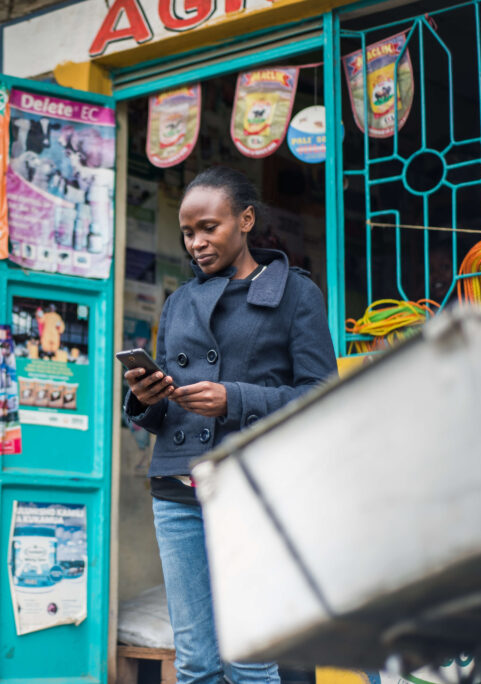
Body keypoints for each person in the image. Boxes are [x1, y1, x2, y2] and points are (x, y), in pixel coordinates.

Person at [123, 167, 337, 684]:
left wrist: (234, 399)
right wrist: (145, 400)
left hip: (253, 490)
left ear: (245, 220)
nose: (196, 242)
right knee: (195, 660)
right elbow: (173, 409)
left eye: (208, 228)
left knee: (249, 659)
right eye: (187, 232)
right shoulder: (178, 303)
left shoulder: (296, 295)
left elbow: (321, 398)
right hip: (178, 490)